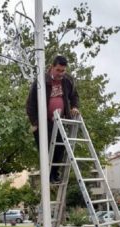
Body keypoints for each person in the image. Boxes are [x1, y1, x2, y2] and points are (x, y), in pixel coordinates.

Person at [26, 55, 79, 183]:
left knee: (61, 147)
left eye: (63, 70)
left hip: (59, 121)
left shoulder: (67, 80)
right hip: (42, 121)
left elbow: (74, 96)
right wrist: (35, 122)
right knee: (47, 148)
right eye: (58, 70)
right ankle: (47, 175)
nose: (61, 73)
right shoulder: (41, 81)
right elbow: (30, 103)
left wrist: (75, 107)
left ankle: (55, 174)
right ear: (52, 67)